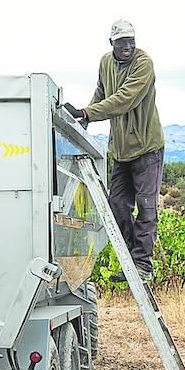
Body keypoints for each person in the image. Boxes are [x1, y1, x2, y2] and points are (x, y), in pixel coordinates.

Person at [63, 19, 165, 282]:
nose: (127, 46)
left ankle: (143, 263)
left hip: (146, 147)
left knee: (146, 206)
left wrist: (88, 112)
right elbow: (102, 93)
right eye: (121, 42)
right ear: (112, 44)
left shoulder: (144, 64)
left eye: (131, 41)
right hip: (120, 150)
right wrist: (82, 117)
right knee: (117, 204)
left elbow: (124, 99)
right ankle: (132, 256)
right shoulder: (105, 62)